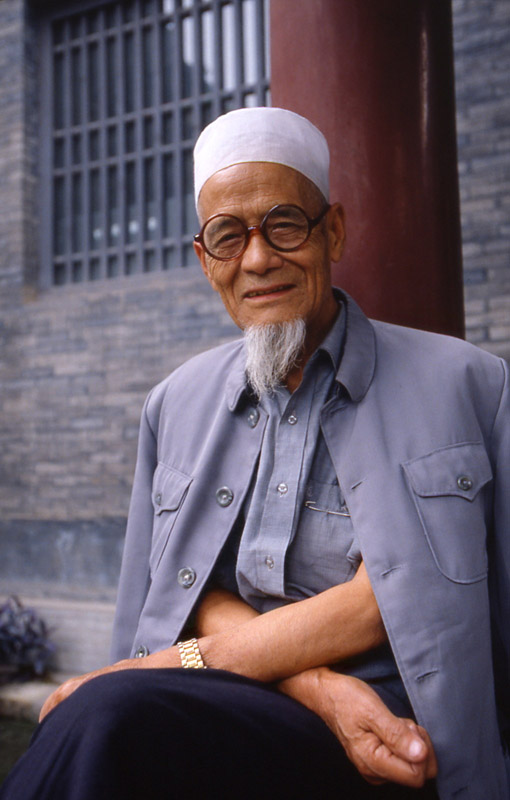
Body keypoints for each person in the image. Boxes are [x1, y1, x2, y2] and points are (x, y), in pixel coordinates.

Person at [1, 107, 509, 800]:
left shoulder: (469, 385)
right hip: (237, 705)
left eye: (284, 225)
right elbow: (179, 588)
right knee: (105, 725)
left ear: (333, 230)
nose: (259, 258)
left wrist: (153, 669)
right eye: (227, 236)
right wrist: (320, 691)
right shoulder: (173, 404)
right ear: (204, 260)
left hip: (401, 732)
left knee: (106, 714)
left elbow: (396, 593)